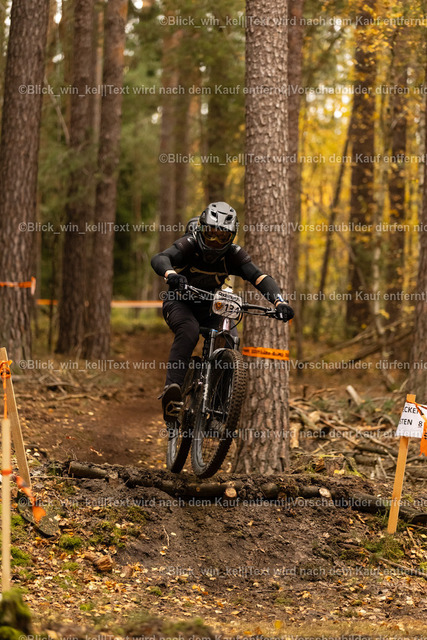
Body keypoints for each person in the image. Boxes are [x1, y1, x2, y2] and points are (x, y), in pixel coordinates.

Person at [151, 202, 294, 426]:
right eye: (211, 234)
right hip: (179, 303)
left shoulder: (233, 254)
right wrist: (171, 274)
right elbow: (160, 258)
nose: (215, 242)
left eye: (222, 237)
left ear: (231, 237)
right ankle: (172, 393)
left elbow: (259, 277)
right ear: (201, 229)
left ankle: (217, 410)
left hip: (211, 307)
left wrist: (279, 301)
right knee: (189, 330)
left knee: (230, 340)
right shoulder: (189, 243)